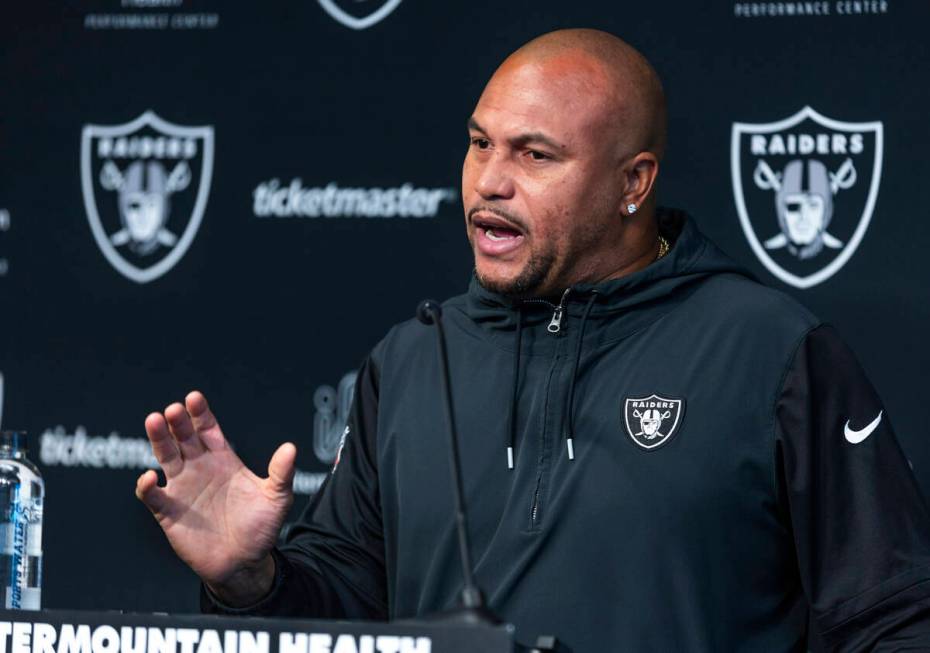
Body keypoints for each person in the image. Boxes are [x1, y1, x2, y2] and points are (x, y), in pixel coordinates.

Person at [136, 29, 930, 652]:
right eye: (480, 143)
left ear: (633, 183)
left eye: (534, 154)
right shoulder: (416, 357)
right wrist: (251, 578)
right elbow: (345, 620)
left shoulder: (771, 351)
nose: (489, 181)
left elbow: (894, 619)